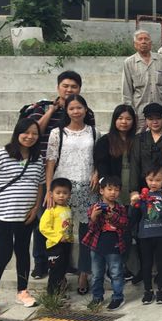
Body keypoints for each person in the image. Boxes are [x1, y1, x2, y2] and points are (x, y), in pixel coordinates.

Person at [20, 70, 93, 279]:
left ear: (80, 89)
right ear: (58, 87)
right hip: (47, 171)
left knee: (66, 222)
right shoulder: (40, 109)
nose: (69, 89)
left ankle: (65, 263)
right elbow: (35, 131)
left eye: (74, 86)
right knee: (46, 219)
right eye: (65, 86)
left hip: (78, 175)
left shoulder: (85, 112)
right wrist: (52, 110)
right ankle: (40, 263)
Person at [45, 94, 97, 295]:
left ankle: (84, 273)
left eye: (79, 107)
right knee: (62, 233)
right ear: (66, 111)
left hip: (87, 188)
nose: (76, 111)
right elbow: (51, 162)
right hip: (63, 189)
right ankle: (60, 275)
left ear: (86, 109)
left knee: (86, 233)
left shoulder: (94, 132)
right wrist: (49, 190)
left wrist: (97, 172)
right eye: (72, 108)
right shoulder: (57, 133)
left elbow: (97, 158)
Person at [0, 118, 44, 311]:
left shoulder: (37, 158)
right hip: (1, 213)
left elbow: (39, 184)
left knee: (23, 252)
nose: (30, 137)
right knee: (4, 254)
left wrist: (36, 207)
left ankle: (22, 291)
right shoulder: (2, 154)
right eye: (26, 132)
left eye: (34, 133)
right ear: (17, 133)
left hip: (25, 215)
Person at [129, 165, 162, 305]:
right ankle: (148, 291)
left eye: (158, 180)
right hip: (145, 235)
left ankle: (161, 290)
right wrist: (133, 204)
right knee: (146, 264)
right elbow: (132, 217)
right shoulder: (142, 196)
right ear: (146, 179)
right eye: (150, 180)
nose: (153, 183)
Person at [84, 175, 128, 310]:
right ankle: (97, 297)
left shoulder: (120, 208)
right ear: (101, 190)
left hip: (114, 245)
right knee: (96, 274)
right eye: (109, 189)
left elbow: (124, 223)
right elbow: (91, 227)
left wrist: (112, 216)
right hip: (97, 245)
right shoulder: (94, 207)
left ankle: (118, 297)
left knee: (116, 273)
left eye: (116, 190)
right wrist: (94, 216)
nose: (113, 192)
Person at [122, 30, 162, 128]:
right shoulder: (129, 62)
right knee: (139, 137)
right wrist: (130, 113)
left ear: (151, 43)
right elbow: (126, 90)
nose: (143, 42)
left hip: (160, 112)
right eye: (140, 39)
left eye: (146, 39)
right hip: (140, 113)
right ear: (135, 44)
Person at [93, 104, 137, 205]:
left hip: (133, 189)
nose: (124, 122)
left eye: (128, 119)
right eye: (120, 118)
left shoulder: (138, 140)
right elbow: (102, 165)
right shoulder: (105, 141)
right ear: (114, 120)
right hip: (113, 190)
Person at [39, 177, 72, 297]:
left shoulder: (67, 208)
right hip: (54, 245)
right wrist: (58, 237)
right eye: (58, 193)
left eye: (65, 193)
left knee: (62, 269)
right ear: (51, 194)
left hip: (66, 244)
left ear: (69, 194)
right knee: (55, 271)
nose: (61, 196)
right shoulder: (51, 210)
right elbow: (43, 227)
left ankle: (60, 294)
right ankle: (52, 296)